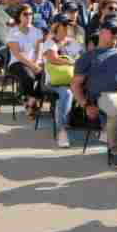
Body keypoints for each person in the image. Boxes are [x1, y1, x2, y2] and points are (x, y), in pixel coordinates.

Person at [72, 20, 117, 163]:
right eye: (113, 31)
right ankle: (115, 151)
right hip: (107, 95)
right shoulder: (88, 56)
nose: (116, 35)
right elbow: (75, 85)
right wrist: (85, 105)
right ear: (101, 31)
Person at [40, 20, 84, 148]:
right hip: (55, 81)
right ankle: (62, 131)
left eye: (68, 27)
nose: (66, 30)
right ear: (56, 28)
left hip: (74, 79)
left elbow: (82, 57)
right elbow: (53, 58)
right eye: (63, 27)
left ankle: (103, 128)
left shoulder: (74, 43)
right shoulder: (49, 43)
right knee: (67, 94)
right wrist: (71, 62)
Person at [6, 4, 44, 115]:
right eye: (25, 14)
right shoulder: (13, 32)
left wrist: (36, 63)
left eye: (31, 14)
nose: (29, 16)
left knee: (46, 76)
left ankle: (31, 101)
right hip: (18, 63)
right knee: (29, 77)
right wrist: (32, 66)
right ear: (19, 16)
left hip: (36, 62)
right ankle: (32, 102)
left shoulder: (37, 31)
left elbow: (39, 50)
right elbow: (17, 54)